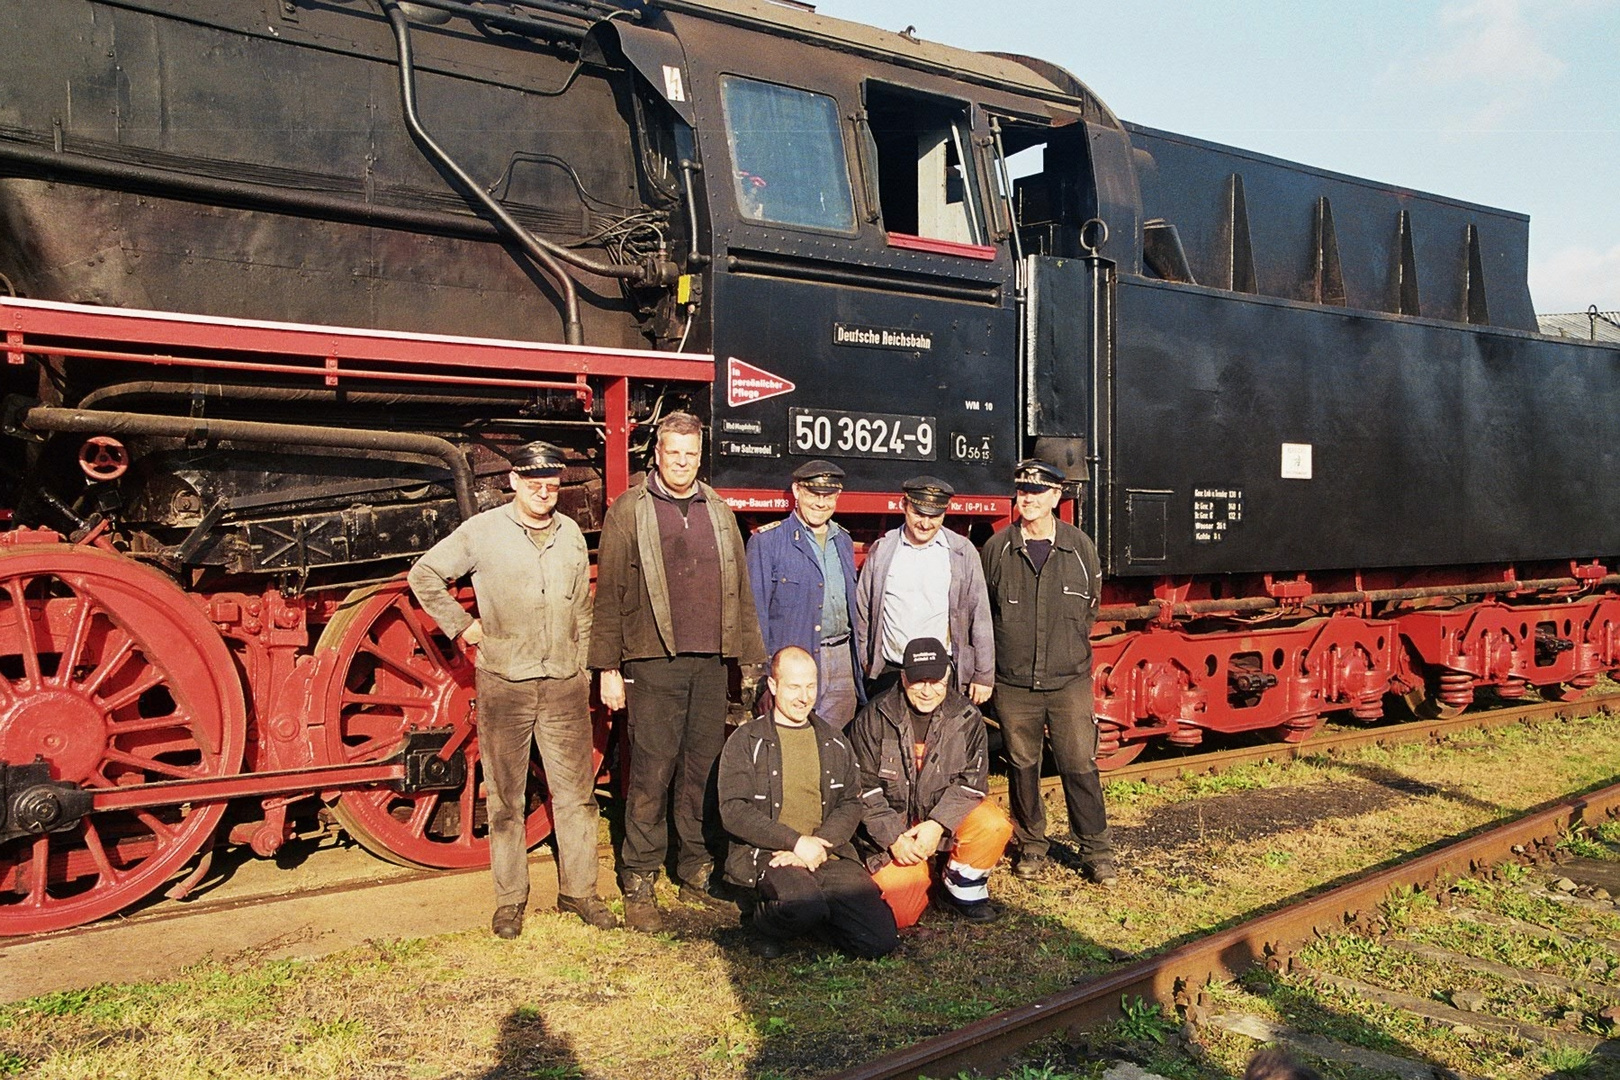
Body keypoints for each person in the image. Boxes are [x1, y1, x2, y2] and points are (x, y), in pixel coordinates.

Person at [406, 440, 616, 939]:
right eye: (536, 485)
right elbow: (425, 574)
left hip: (564, 683)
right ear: (515, 482)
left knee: (577, 795)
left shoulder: (568, 534)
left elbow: (581, 607)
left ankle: (579, 892)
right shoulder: (482, 532)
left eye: (553, 486)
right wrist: (461, 625)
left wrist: (584, 668)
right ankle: (510, 901)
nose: (545, 494)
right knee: (506, 799)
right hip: (506, 684)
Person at [589, 411, 767, 933]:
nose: (683, 463)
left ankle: (694, 864)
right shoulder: (630, 510)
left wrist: (747, 657)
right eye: (674, 454)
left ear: (699, 456)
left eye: (692, 454)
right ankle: (639, 874)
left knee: (702, 769)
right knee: (651, 769)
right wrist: (606, 668)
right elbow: (610, 596)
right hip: (652, 660)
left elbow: (741, 591)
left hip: (710, 661)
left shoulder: (717, 508)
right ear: (658, 455)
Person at [981, 458, 1116, 886]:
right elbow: (984, 612)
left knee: (1079, 763)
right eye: (1023, 491)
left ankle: (1096, 849)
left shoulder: (1080, 548)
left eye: (1038, 493)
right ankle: (1032, 845)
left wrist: (1065, 649)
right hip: (1014, 682)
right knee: (1022, 766)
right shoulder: (998, 549)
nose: (1029, 499)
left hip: (1067, 681)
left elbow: (1090, 606)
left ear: (1056, 496)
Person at [717, 646, 899, 960]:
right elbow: (733, 809)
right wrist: (795, 842)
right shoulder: (747, 741)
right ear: (773, 686)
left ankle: (815, 917)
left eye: (810, 687)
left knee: (879, 941)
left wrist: (817, 845)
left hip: (824, 854)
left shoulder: (834, 740)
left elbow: (850, 803)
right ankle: (760, 922)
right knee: (803, 904)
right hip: (769, 855)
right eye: (794, 687)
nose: (804, 697)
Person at [849, 637, 1013, 926]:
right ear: (903, 678)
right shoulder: (873, 717)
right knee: (900, 914)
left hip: (939, 818)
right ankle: (923, 875)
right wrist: (894, 839)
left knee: (993, 824)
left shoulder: (966, 716)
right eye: (918, 682)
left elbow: (972, 782)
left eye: (936, 681)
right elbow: (863, 789)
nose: (927, 691)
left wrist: (938, 824)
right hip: (894, 827)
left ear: (948, 676)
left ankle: (960, 890)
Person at [854, 476, 994, 704]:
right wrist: (865, 659)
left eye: (935, 516)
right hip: (890, 670)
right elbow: (863, 611)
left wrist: (984, 675)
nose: (926, 524)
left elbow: (980, 617)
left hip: (940, 672)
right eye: (919, 514)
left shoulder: (962, 552)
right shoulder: (882, 550)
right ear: (904, 505)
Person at [745, 460, 864, 726]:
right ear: (797, 491)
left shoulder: (843, 541)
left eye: (828, 496)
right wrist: (763, 677)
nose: (820, 503)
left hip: (842, 658)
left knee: (835, 744)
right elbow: (754, 616)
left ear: (837, 496)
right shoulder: (766, 542)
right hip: (793, 663)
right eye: (813, 494)